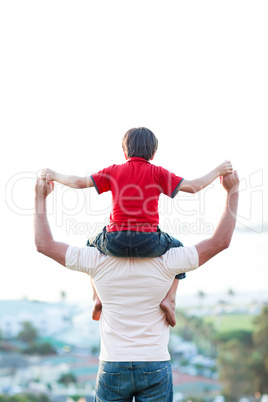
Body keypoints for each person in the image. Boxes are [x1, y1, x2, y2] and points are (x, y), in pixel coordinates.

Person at [35, 170, 239, 401]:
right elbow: (220, 241)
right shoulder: (169, 259)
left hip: (113, 364)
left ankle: (96, 298)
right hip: (154, 363)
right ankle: (169, 298)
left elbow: (45, 244)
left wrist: (40, 198)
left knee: (88, 248)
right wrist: (232, 191)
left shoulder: (95, 259)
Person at [41, 127, 233, 326]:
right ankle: (170, 298)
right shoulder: (158, 173)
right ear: (154, 153)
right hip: (148, 242)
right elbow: (194, 187)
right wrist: (218, 170)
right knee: (178, 247)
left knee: (90, 243)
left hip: (115, 241)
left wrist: (54, 175)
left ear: (124, 151)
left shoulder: (114, 171)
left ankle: (97, 297)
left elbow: (78, 182)